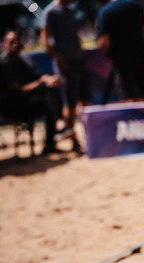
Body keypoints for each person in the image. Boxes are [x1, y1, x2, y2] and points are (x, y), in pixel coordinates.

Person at [0, 29, 66, 155]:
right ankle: (59, 123)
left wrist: (50, 80)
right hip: (11, 106)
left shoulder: (25, 63)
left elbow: (38, 79)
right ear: (5, 45)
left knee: (50, 93)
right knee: (48, 95)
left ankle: (51, 143)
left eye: (17, 41)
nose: (16, 44)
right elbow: (19, 90)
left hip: (27, 103)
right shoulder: (2, 64)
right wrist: (42, 81)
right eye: (12, 42)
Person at [41, 0, 91, 152]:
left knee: (85, 100)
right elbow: (45, 41)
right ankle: (73, 140)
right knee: (70, 103)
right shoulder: (50, 12)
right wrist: (59, 59)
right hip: (66, 64)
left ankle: (90, 139)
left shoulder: (69, 10)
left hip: (79, 61)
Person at [96, 0, 144, 102]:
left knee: (128, 96)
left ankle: (132, 111)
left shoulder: (105, 12)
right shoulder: (134, 5)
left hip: (121, 59)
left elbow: (104, 40)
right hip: (141, 54)